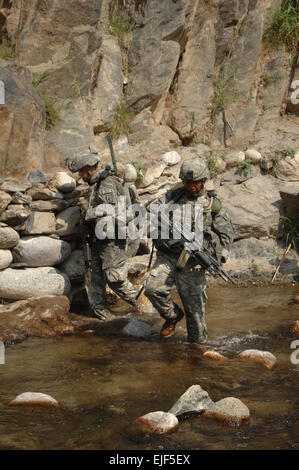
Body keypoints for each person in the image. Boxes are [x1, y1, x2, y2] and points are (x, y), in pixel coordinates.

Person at [144, 156, 234, 344]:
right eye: (187, 182)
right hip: (169, 256)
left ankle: (197, 355)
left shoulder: (212, 204)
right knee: (153, 289)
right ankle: (173, 316)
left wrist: (220, 256)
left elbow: (226, 234)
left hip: (193, 263)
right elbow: (150, 208)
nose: (191, 186)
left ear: (203, 181)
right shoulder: (173, 196)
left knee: (196, 319)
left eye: (195, 182)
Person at [68, 152, 140, 320]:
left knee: (114, 278)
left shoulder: (106, 183)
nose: (80, 175)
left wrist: (88, 212)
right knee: (93, 278)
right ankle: (104, 317)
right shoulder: (96, 184)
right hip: (96, 238)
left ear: (88, 169)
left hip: (111, 240)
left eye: (81, 172)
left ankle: (146, 307)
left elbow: (111, 211)